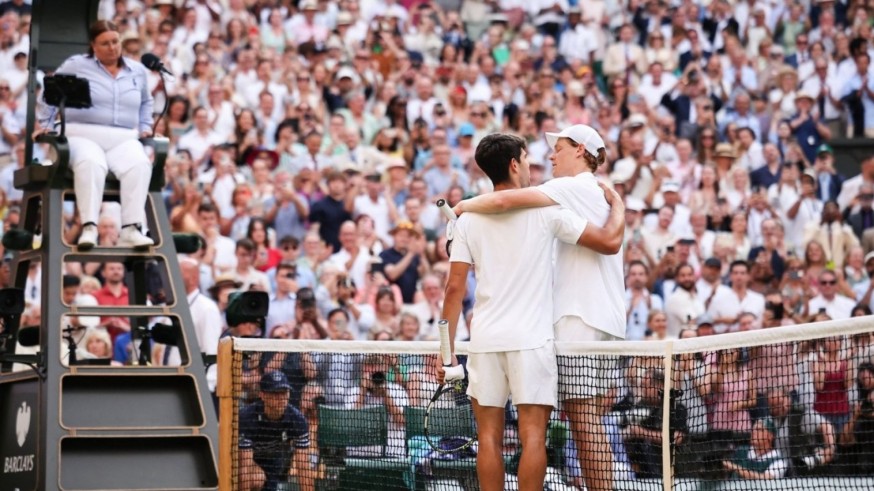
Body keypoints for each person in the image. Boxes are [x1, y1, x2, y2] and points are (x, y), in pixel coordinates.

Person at [440, 133, 624, 491]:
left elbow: (453, 291)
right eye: (526, 159)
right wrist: (619, 207)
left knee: (489, 437)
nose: (533, 165)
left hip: (486, 340)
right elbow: (607, 242)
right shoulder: (549, 211)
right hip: (532, 342)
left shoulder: (466, 221)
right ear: (514, 164)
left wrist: (446, 353)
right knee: (533, 438)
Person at [37, 20, 155, 249]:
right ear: (93, 45)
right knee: (91, 162)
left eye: (115, 41)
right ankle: (89, 228)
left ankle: (131, 228)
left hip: (123, 137)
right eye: (105, 43)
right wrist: (46, 124)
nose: (112, 48)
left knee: (140, 164)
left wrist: (145, 125)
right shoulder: (77, 65)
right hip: (83, 133)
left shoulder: (137, 70)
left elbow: (146, 102)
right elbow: (50, 93)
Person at [238, 371, 313, 491]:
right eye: (275, 393)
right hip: (244, 462)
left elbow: (303, 465)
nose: (281, 398)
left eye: (284, 393)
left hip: (273, 463)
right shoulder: (246, 417)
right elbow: (244, 465)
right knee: (256, 479)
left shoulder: (298, 420)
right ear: (262, 395)